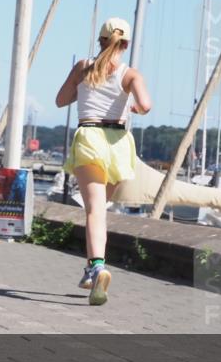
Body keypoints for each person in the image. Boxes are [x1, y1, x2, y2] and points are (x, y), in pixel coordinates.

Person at [55, 17, 152, 306]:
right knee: (100, 211)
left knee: (94, 210)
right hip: (119, 144)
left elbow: (61, 100)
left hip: (91, 137)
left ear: (100, 41)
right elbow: (145, 106)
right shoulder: (131, 74)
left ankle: (97, 266)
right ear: (126, 44)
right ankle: (90, 269)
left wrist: (82, 88)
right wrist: (132, 106)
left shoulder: (83, 67)